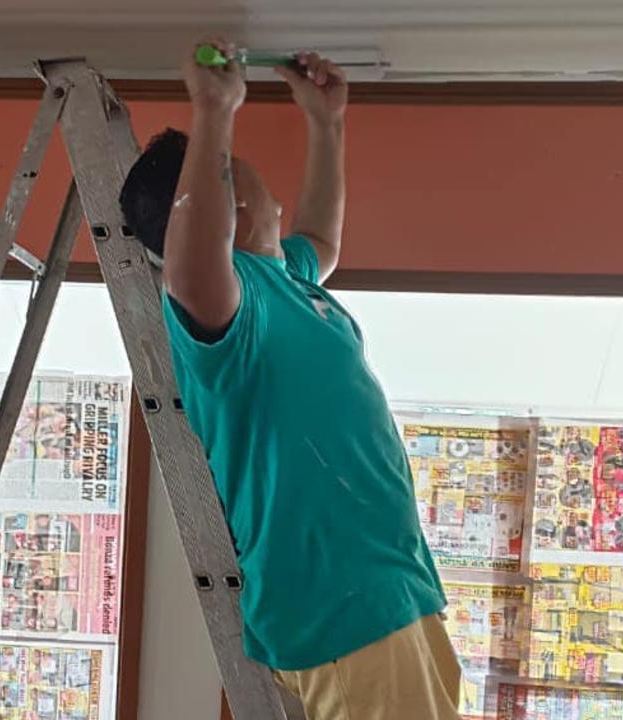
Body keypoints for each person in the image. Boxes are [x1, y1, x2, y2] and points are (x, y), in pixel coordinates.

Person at [118, 40, 461, 719]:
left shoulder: (286, 281)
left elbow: (322, 240)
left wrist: (327, 123)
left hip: (387, 592)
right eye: (243, 178)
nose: (268, 192)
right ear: (231, 205)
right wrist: (213, 112)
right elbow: (191, 265)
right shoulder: (226, 304)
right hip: (345, 605)